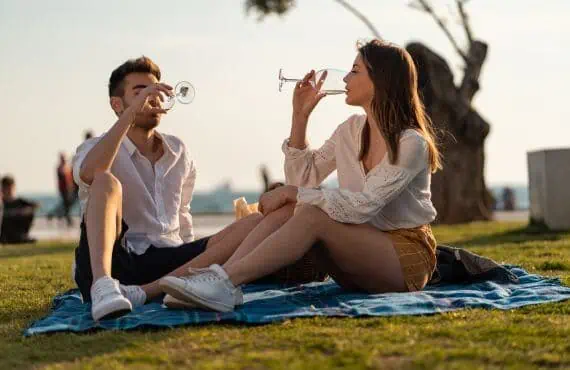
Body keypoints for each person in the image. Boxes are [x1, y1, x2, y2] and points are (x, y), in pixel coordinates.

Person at [159, 39, 443, 312]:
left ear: (381, 80)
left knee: (308, 211)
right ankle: (221, 279)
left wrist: (295, 194)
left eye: (355, 71)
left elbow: (363, 205)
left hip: (403, 260)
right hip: (356, 256)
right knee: (293, 207)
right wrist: (300, 117)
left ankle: (223, 281)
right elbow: (303, 180)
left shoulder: (411, 143)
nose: (345, 80)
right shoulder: (351, 130)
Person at [72, 56, 266, 321]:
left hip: (169, 261)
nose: (152, 98)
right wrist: (130, 116)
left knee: (254, 221)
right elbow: (89, 174)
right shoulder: (97, 148)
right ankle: (104, 287)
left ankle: (151, 291)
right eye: (140, 92)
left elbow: (183, 215)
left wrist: (196, 259)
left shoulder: (178, 150)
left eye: (156, 91)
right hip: (115, 261)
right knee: (105, 180)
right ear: (117, 105)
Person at [0, 175, 39, 244]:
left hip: (19, 232)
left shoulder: (20, 201)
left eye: (10, 188)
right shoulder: (2, 203)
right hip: (4, 233)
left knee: (29, 212)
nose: (8, 191)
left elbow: (36, 205)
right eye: (6, 188)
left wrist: (23, 211)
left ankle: (22, 237)